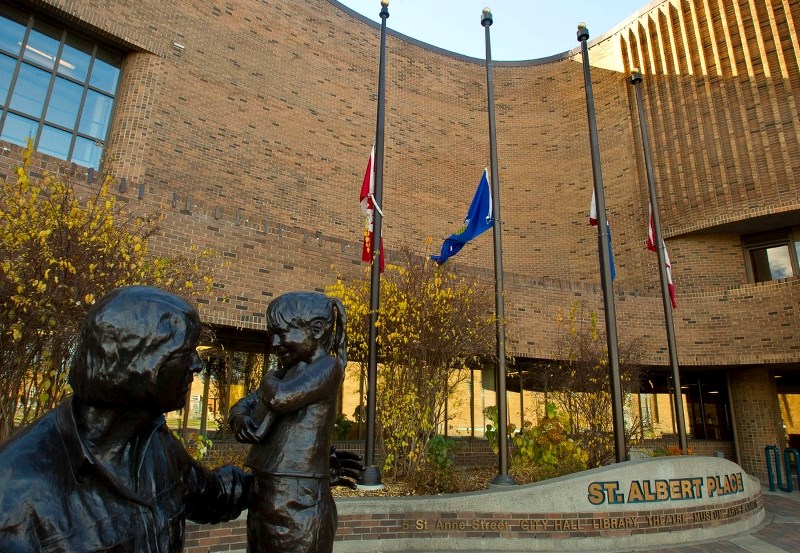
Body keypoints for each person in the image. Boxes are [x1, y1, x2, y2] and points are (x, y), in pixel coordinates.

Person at [0, 286, 251, 552]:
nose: (197, 364)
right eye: (184, 352)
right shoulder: (16, 488)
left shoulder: (157, 444)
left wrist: (283, 478)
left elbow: (212, 495)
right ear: (138, 363)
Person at [228, 291, 346, 553]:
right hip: (264, 492)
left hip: (298, 498)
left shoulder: (327, 367)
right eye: (273, 334)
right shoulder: (286, 372)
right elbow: (243, 404)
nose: (276, 342)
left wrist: (268, 376)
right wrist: (239, 419)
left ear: (316, 329)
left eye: (282, 333)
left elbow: (281, 398)